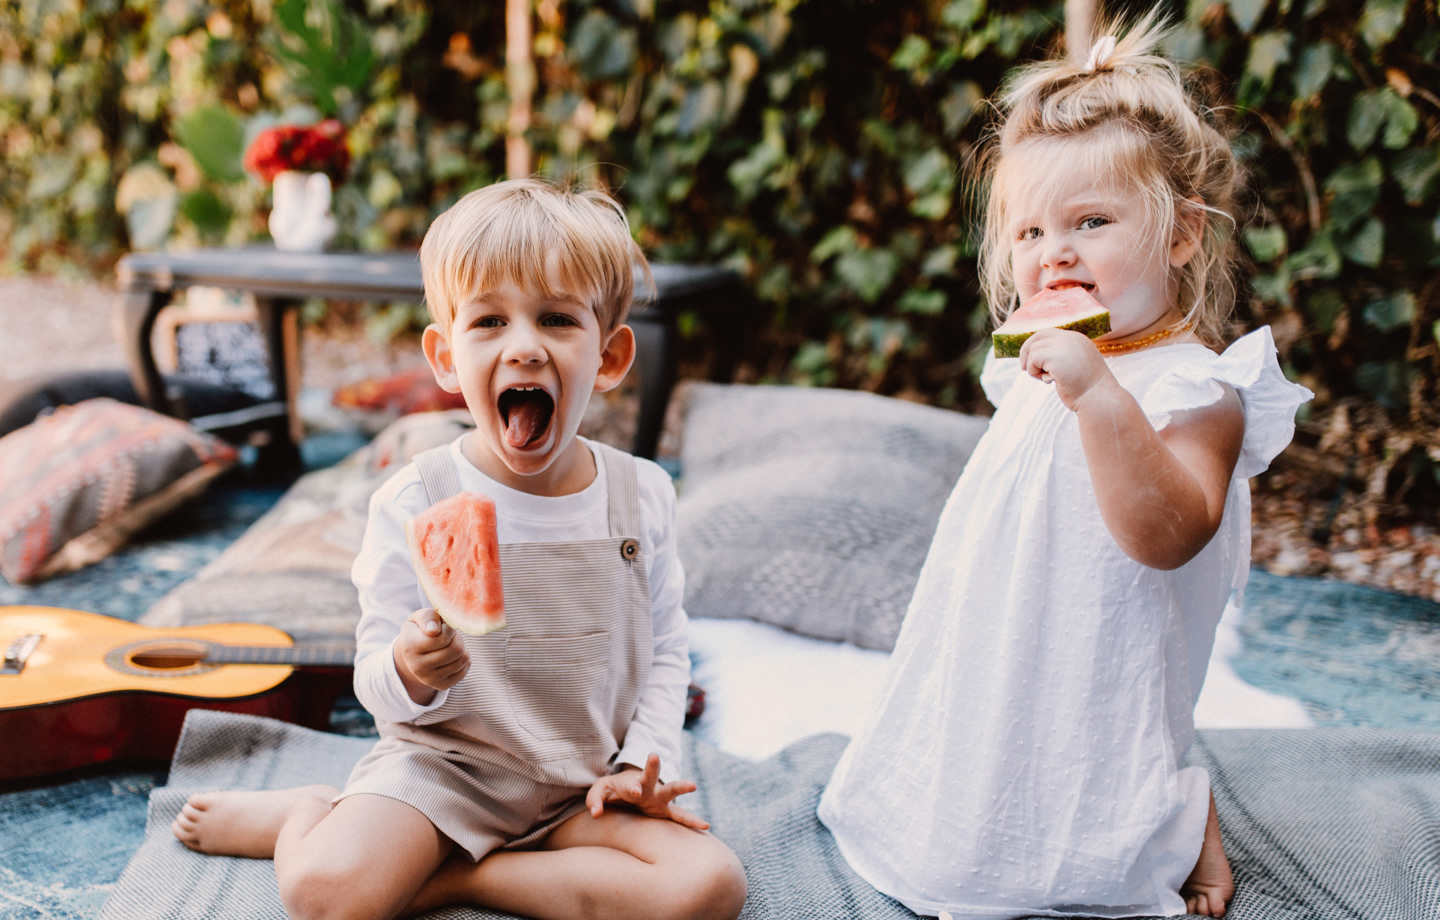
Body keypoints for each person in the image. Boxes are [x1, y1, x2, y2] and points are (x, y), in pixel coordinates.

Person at [818, 17, 1311, 920]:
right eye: (1031, 231)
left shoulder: (1202, 388)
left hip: (1104, 649)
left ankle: (1175, 813)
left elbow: (1167, 536)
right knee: (955, 815)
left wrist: (1100, 395)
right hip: (1003, 626)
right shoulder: (1033, 364)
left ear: (1181, 235)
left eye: (1092, 222)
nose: (1055, 253)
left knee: (1080, 805)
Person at [171, 178, 747, 920]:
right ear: (445, 357)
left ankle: (454, 879)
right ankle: (310, 811)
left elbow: (666, 649)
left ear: (609, 357)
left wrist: (641, 764)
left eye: (557, 319)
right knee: (322, 894)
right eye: (489, 321)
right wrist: (409, 670)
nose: (525, 347)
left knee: (710, 885)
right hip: (442, 776)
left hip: (583, 786)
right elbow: (373, 682)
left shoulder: (642, 496)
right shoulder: (418, 497)